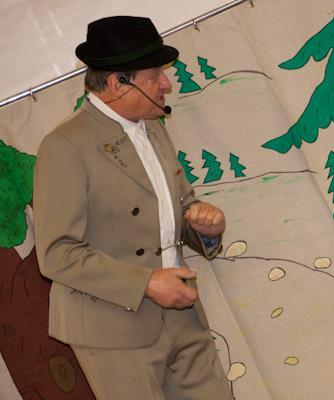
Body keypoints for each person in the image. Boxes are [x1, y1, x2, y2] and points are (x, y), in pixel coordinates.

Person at [33, 16, 232, 400]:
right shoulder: (64, 146)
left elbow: (177, 208)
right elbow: (58, 254)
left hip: (182, 314)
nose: (166, 84)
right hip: (112, 328)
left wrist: (204, 228)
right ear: (117, 83)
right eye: (155, 75)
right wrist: (147, 283)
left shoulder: (153, 126)